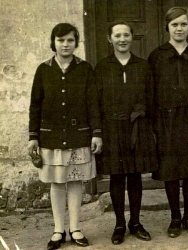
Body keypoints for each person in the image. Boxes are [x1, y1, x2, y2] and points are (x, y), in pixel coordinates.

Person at [28, 23, 102, 250]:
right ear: (54, 43)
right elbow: (35, 106)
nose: (66, 44)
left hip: (78, 135)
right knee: (57, 182)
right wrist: (33, 137)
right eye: (61, 40)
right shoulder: (43, 69)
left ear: (76, 42)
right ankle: (58, 230)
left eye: (70, 40)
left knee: (75, 182)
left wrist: (96, 133)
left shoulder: (85, 69)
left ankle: (75, 228)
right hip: (51, 137)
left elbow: (93, 104)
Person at [148, 7, 188, 238]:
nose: (179, 29)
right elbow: (151, 92)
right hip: (167, 121)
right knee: (171, 170)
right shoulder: (157, 55)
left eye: (183, 24)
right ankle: (175, 218)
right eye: (174, 25)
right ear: (167, 28)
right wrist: (154, 124)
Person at [95, 21, 156, 245]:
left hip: (136, 128)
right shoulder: (102, 67)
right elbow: (96, 102)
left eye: (126, 35)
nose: (122, 39)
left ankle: (136, 222)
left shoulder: (142, 66)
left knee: (136, 176)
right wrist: (98, 131)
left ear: (132, 38)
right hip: (112, 129)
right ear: (109, 39)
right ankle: (120, 223)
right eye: (117, 35)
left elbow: (151, 98)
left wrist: (143, 117)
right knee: (117, 176)